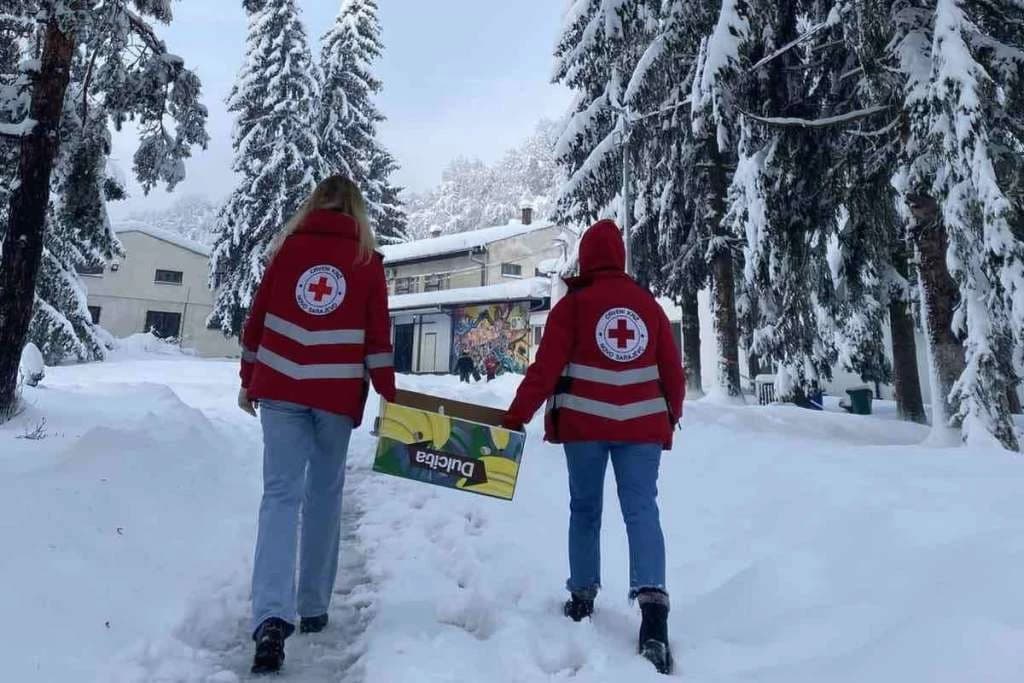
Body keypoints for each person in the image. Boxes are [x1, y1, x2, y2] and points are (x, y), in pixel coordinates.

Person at [502, 219, 685, 675]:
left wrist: (516, 414)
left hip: (584, 427)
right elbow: (672, 369)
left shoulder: (574, 305)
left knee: (585, 510)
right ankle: (654, 615)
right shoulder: (647, 305)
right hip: (642, 429)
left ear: (586, 258)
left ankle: (582, 596)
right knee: (642, 511)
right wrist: (672, 413)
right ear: (620, 257)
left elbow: (545, 369)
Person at [237, 176, 396, 675]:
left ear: (314, 206)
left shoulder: (285, 251)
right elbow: (377, 338)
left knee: (279, 498)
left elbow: (256, 322)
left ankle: (270, 617)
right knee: (324, 494)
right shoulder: (367, 261)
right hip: (335, 395)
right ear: (356, 210)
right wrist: (391, 395)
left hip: (280, 387)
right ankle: (312, 606)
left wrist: (247, 378)